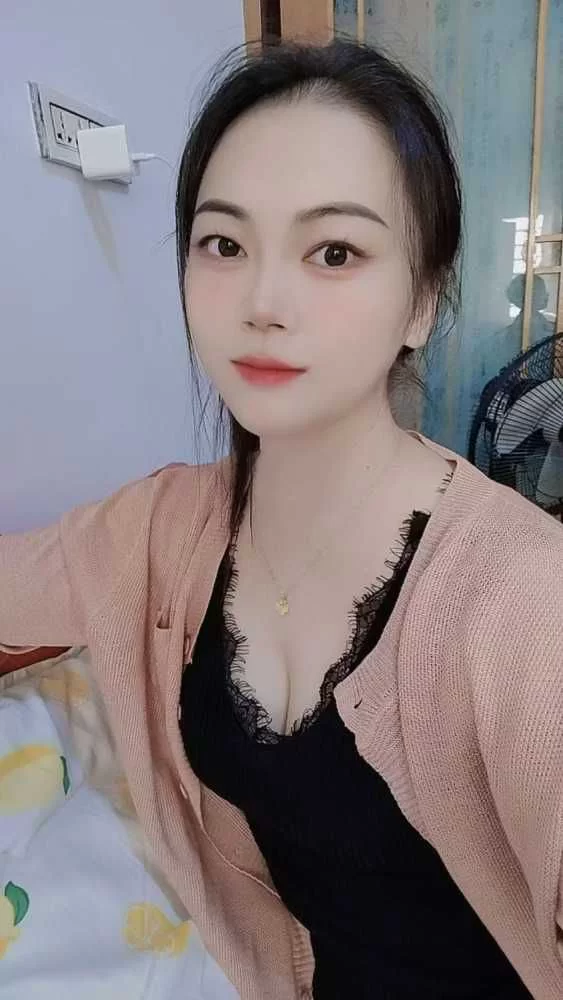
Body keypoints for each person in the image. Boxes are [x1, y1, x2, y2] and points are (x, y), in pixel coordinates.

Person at [1, 38, 562, 1000]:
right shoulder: (162, 528)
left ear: (422, 300)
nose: (262, 302)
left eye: (333, 252)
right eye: (223, 245)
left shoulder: (519, 597)